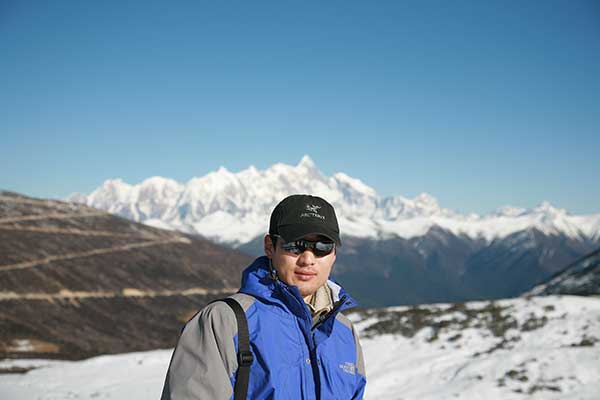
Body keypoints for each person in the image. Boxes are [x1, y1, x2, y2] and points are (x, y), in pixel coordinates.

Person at [161, 194, 366, 399]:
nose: (308, 259)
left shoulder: (345, 332)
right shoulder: (224, 322)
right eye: (294, 246)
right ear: (270, 246)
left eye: (322, 247)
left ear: (334, 254)